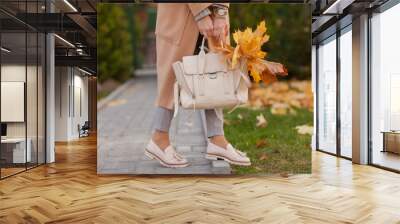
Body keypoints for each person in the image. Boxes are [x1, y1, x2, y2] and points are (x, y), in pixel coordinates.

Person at [144, 3, 251, 168]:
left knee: (215, 74)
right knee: (170, 79)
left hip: (214, 13)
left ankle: (217, 139)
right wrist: (200, 11)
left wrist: (221, 12)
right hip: (180, 13)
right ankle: (159, 137)